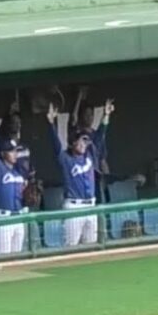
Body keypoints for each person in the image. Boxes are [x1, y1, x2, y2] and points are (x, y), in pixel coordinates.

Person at [46, 102, 98, 246]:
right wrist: (51, 123)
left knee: (91, 247)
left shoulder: (89, 156)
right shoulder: (66, 159)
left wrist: (106, 116)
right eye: (79, 141)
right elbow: (56, 145)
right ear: (72, 143)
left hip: (91, 205)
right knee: (71, 247)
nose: (82, 144)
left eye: (84, 141)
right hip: (74, 206)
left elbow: (100, 138)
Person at [0, 108, 29, 254]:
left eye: (15, 151)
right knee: (3, 258)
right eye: (11, 151)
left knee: (18, 257)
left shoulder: (18, 171)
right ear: (3, 153)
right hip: (3, 218)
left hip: (18, 218)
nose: (14, 154)